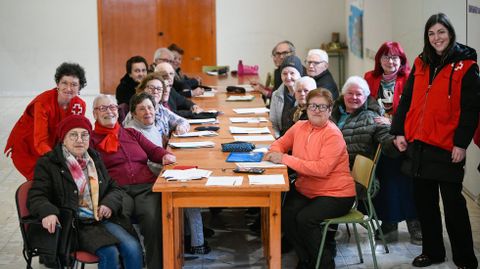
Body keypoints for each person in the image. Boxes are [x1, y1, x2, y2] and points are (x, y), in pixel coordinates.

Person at [391, 13, 479, 269]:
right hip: (419, 144)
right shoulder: (420, 62)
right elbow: (406, 100)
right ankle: (433, 252)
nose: (436, 38)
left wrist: (461, 144)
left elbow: (472, 109)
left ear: (450, 34)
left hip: (448, 147)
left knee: (454, 207)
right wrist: (399, 132)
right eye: (431, 33)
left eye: (441, 32)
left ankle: (465, 259)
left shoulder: (467, 66)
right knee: (425, 204)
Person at [27, 115, 143, 269]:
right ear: (63, 139)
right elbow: (37, 195)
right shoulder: (48, 163)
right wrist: (48, 212)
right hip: (74, 224)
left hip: (100, 219)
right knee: (109, 252)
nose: (80, 140)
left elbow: (114, 187)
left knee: (133, 248)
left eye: (84, 134)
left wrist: (108, 204)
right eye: (73, 135)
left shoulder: (93, 158)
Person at [266, 89, 355, 269]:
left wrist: (284, 158)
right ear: (306, 108)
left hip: (336, 193)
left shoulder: (333, 135)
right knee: (287, 215)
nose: (317, 110)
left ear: (330, 110)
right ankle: (306, 259)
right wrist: (275, 152)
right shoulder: (300, 126)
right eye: (313, 106)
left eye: (322, 106)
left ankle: (325, 263)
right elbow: (280, 143)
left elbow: (321, 169)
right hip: (307, 189)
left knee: (305, 219)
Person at [91, 94, 176, 269]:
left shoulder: (130, 132)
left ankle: (156, 266)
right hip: (117, 190)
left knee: (153, 219)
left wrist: (165, 155)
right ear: (94, 114)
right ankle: (131, 260)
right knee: (120, 218)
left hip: (145, 187)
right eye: (103, 108)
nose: (109, 111)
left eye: (112, 107)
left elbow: (154, 150)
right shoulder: (91, 140)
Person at [124, 92, 210, 254]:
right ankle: (195, 243)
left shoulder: (152, 126)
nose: (147, 112)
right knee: (189, 190)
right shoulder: (133, 132)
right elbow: (145, 164)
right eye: (141, 109)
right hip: (151, 180)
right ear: (134, 113)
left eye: (150, 107)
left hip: (161, 172)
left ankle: (191, 237)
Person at [364, 41, 421, 245]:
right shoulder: (370, 78)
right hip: (380, 139)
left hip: (404, 137)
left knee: (408, 183)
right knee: (386, 183)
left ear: (402, 60)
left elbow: (414, 109)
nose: (391, 61)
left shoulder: (409, 79)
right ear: (379, 60)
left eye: (395, 57)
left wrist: (392, 122)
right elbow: (365, 106)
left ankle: (415, 223)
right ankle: (388, 222)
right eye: (386, 57)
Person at [4, 62, 87, 181]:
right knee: (41, 180)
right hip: (29, 144)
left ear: (79, 87)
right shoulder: (43, 103)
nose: (68, 88)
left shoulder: (79, 105)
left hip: (52, 143)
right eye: (64, 83)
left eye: (74, 84)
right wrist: (58, 160)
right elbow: (40, 141)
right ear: (57, 83)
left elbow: (73, 134)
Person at [124, 73, 190, 146]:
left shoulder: (161, 109)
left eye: (159, 89)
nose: (155, 92)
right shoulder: (135, 112)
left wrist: (180, 127)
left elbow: (183, 121)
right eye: (151, 88)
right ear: (142, 90)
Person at [270, 55, 304, 137]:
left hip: (299, 141)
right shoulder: (276, 95)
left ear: (300, 75)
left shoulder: (306, 95)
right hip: (281, 139)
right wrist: (278, 141)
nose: (288, 77)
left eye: (292, 73)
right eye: (284, 74)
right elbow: (273, 124)